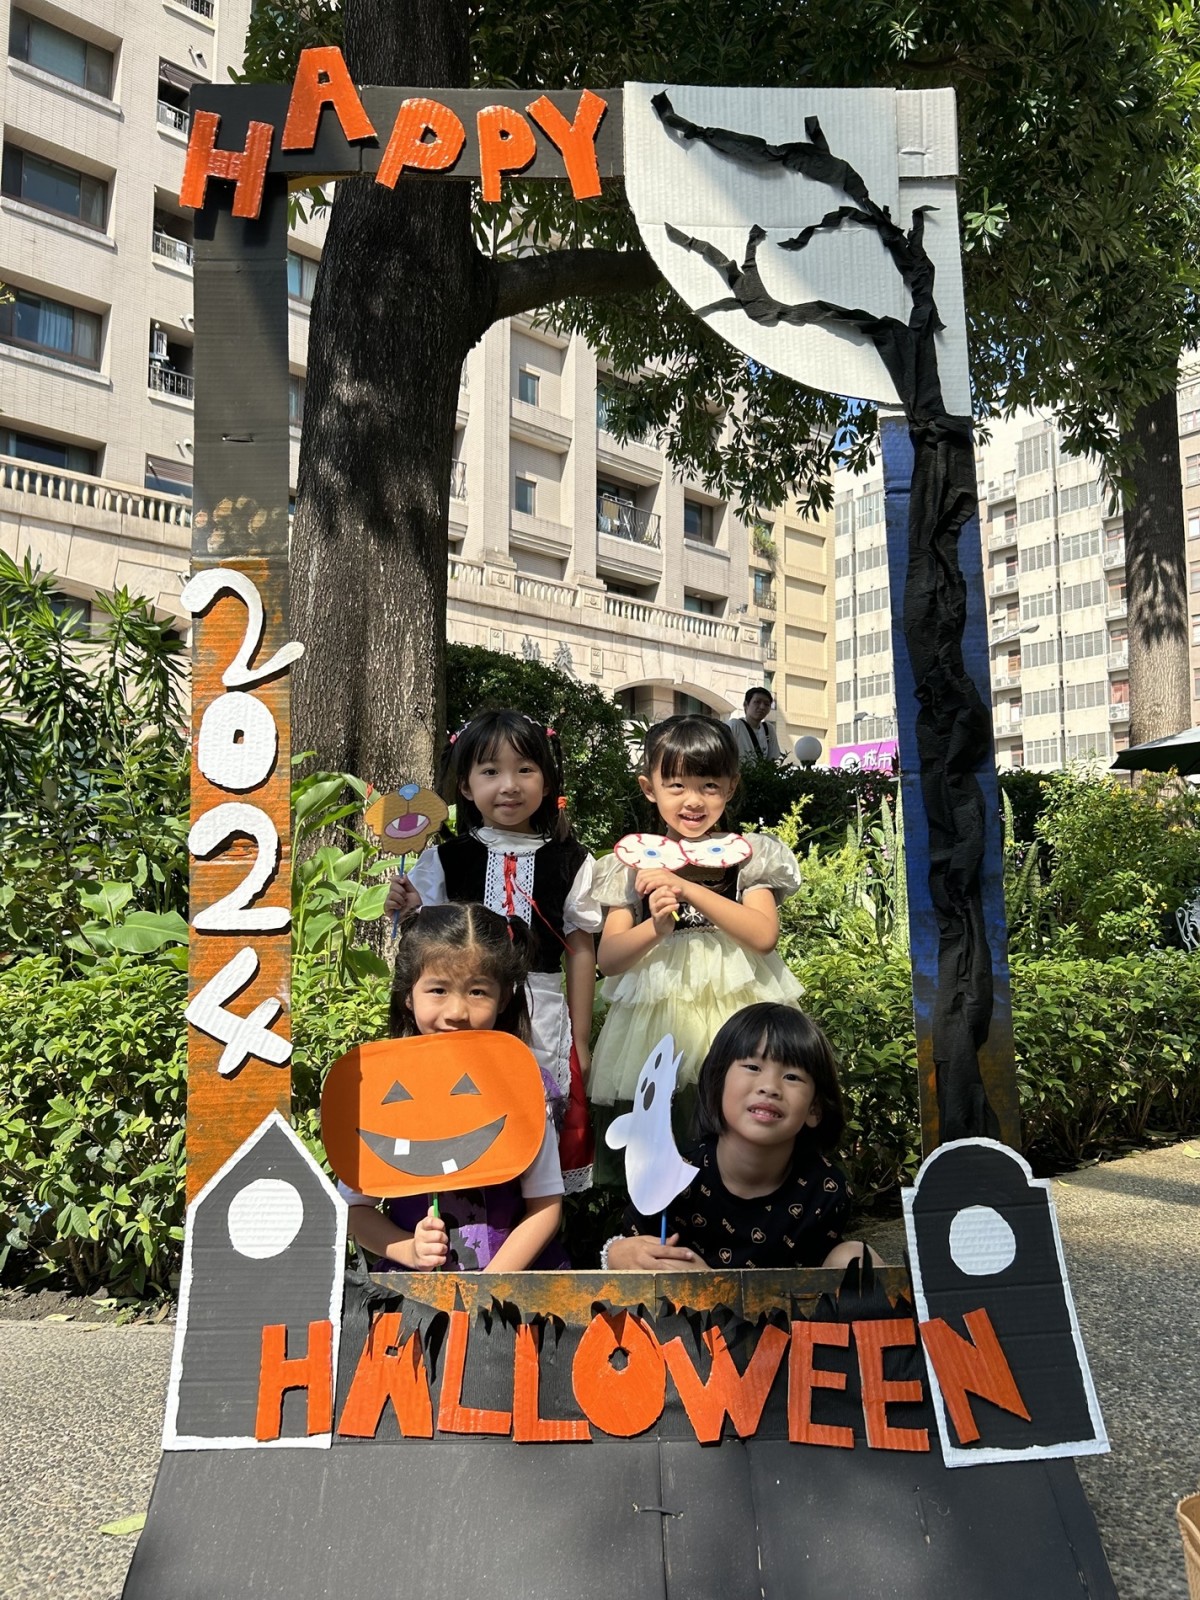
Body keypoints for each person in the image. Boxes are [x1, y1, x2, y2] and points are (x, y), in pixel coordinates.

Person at [384, 710, 599, 1191]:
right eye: (490, 771)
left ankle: (532, 1216)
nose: (509, 785)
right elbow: (425, 942)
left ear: (547, 780)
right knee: (462, 1107)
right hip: (464, 1008)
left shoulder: (572, 860)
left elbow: (580, 949)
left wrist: (581, 1039)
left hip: (541, 1010)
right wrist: (410, 909)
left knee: (534, 1115)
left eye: (525, 769)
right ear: (465, 785)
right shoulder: (444, 858)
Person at [588, 714, 802, 1180]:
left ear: (731, 786)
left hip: (735, 1006)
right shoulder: (630, 862)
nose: (693, 800)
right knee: (668, 1117)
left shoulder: (748, 855)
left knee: (735, 1108)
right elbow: (610, 958)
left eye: (709, 786)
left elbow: (763, 935)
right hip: (657, 1011)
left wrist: (686, 889)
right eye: (676, 785)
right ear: (649, 788)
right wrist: (655, 929)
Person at [341, 903, 565, 1272]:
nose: (457, 1011)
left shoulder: (525, 1087)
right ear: (408, 995)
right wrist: (407, 1249)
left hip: (510, 1291)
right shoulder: (380, 1089)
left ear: (503, 998)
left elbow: (545, 1205)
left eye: (477, 991)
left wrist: (489, 1288)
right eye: (438, 989)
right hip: (416, 1294)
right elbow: (353, 1207)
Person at [601, 1003, 874, 1271]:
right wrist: (617, 1253)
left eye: (792, 1076)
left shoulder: (824, 1190)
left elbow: (818, 1286)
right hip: (675, 1302)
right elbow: (631, 1252)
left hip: (784, 1302)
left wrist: (711, 1286)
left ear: (815, 1109)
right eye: (753, 1067)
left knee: (855, 1257)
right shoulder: (673, 1175)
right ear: (717, 1083)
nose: (770, 1087)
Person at [730, 686, 783, 764]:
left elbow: (772, 761)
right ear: (746, 705)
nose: (762, 707)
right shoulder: (735, 725)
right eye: (757, 702)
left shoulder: (769, 729)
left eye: (766, 704)